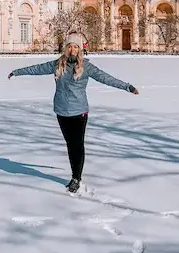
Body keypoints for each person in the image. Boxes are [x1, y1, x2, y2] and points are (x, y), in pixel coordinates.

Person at [8, 32, 138, 192]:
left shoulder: (87, 67)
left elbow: (106, 78)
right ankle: (75, 174)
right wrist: (17, 72)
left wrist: (127, 87)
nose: (72, 49)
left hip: (79, 112)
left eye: (76, 46)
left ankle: (76, 177)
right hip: (61, 111)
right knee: (70, 145)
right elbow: (37, 69)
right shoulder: (57, 64)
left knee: (77, 145)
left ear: (79, 49)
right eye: (70, 46)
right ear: (65, 48)